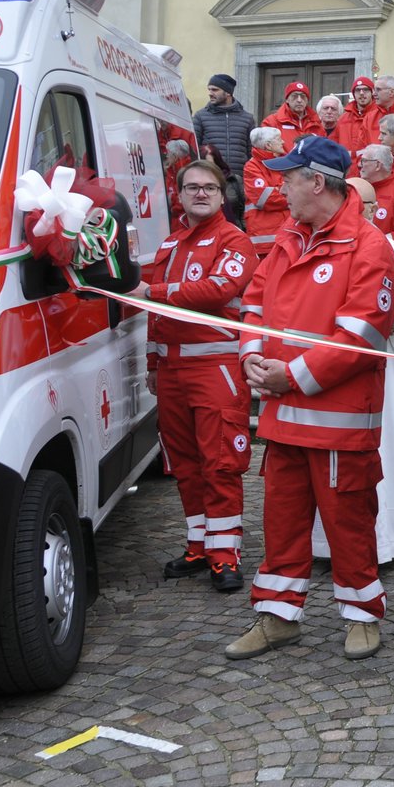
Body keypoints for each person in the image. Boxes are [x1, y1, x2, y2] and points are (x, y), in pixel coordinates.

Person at [225, 136, 394, 663]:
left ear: (316, 181)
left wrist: (291, 377)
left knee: (348, 523)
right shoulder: (288, 235)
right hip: (283, 418)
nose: (280, 187)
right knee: (281, 520)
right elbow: (254, 302)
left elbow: (362, 336)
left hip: (337, 423)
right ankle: (278, 615)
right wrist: (252, 357)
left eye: (288, 177)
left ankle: (363, 615)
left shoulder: (369, 247)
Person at [137, 159, 257, 593]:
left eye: (209, 187)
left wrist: (153, 291)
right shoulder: (170, 244)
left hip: (215, 370)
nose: (201, 193)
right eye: (193, 188)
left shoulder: (234, 240)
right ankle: (199, 546)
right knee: (185, 465)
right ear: (180, 195)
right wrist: (152, 362)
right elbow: (156, 314)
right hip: (172, 372)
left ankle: (226, 555)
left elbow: (218, 290)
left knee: (220, 463)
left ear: (222, 195)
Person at [309, 177, 394, 564]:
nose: (360, 211)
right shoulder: (315, 247)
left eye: (367, 205)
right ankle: (321, 544)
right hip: (325, 374)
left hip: (381, 377)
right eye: (353, 202)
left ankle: (376, 546)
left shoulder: (391, 252)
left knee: (382, 456)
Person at [192, 73, 257, 184]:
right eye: (209, 89)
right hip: (210, 178)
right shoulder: (200, 116)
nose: (210, 93)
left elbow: (252, 152)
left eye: (215, 90)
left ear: (228, 93)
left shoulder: (247, 118)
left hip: (239, 181)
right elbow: (194, 149)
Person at [243, 126, 290, 260]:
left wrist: (278, 190)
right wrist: (292, 195)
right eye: (278, 139)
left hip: (284, 234)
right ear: (268, 145)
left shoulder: (282, 163)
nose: (283, 142)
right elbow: (265, 198)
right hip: (264, 238)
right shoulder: (252, 166)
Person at [261, 81, 326, 152]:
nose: (299, 100)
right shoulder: (272, 122)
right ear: (287, 99)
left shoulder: (316, 122)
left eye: (303, 96)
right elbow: (264, 150)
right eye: (294, 96)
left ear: (307, 100)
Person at [335, 76, 380, 154]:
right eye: (358, 90)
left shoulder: (380, 116)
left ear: (372, 92)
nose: (361, 93)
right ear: (353, 94)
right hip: (348, 164)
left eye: (365, 89)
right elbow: (334, 143)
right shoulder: (343, 119)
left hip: (371, 164)